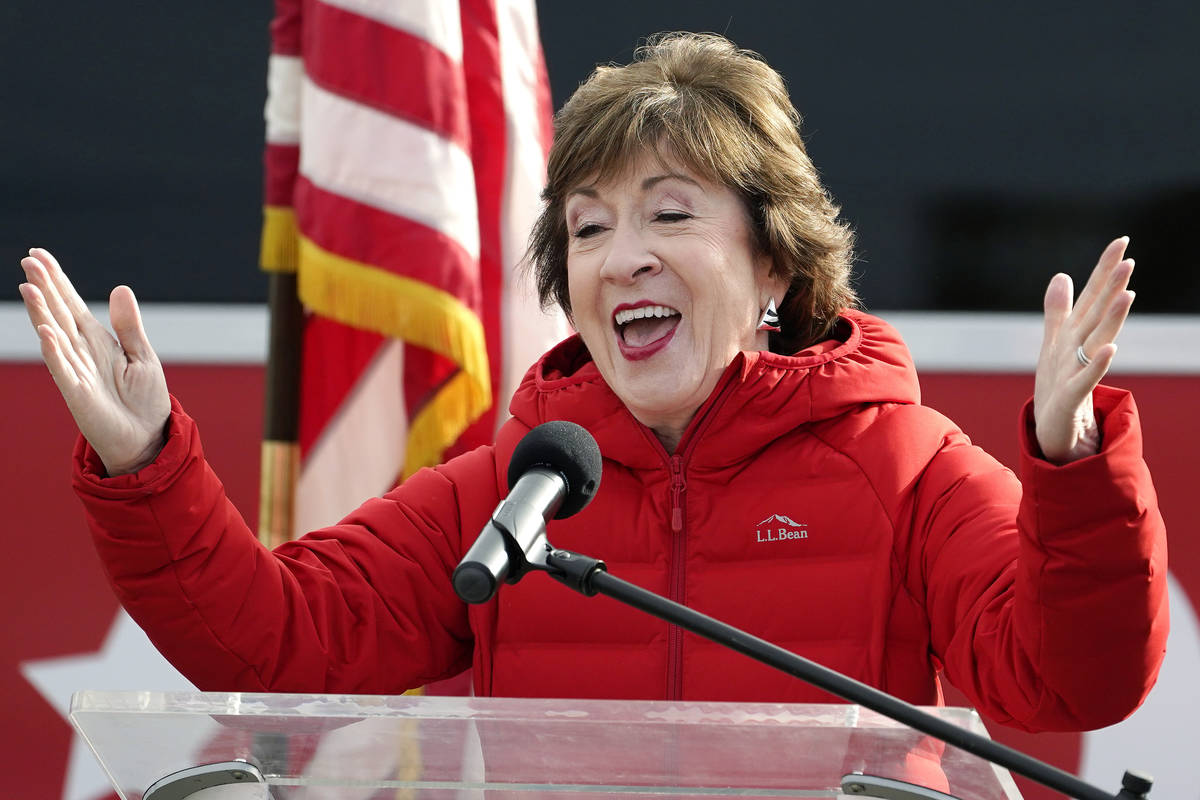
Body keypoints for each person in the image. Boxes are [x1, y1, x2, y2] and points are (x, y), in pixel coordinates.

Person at [18, 33, 1165, 733]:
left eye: (672, 214)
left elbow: (1075, 679)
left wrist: (1071, 466)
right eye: (589, 226)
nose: (623, 256)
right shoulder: (514, 489)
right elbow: (271, 638)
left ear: (774, 258)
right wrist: (145, 463)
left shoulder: (903, 467)